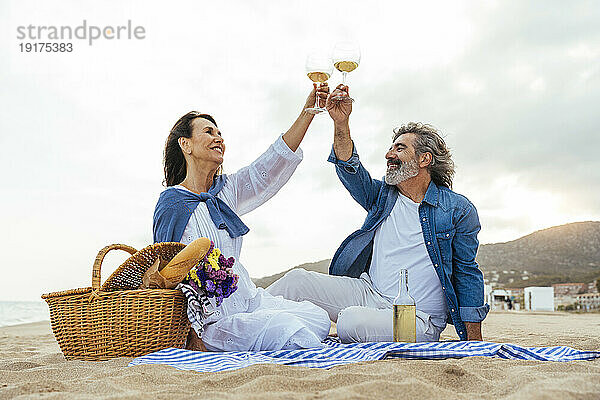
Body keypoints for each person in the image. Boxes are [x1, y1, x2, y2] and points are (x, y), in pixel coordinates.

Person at [267, 84, 489, 343]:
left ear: (424, 159)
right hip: (367, 292)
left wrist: (474, 342)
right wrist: (341, 123)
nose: (389, 154)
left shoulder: (458, 210)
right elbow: (350, 168)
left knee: (350, 321)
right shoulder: (383, 197)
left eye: (399, 148)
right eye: (391, 148)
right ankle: (235, 317)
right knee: (296, 281)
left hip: (416, 317)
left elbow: (466, 272)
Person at [153, 85, 332, 352]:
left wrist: (307, 113)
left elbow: (269, 165)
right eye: (209, 132)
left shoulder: (227, 190)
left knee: (317, 319)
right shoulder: (171, 202)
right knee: (291, 332)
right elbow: (164, 272)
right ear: (185, 144)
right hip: (212, 320)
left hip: (249, 300)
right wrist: (189, 330)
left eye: (220, 133)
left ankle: (263, 332)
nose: (218, 138)